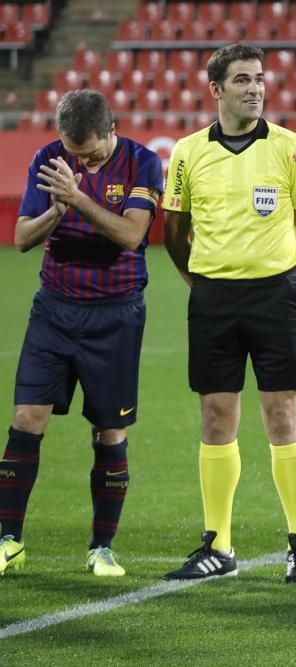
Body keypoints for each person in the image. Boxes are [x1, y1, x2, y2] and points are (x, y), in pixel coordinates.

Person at [161, 44, 296, 584]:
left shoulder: (289, 147)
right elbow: (173, 232)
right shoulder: (187, 153)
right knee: (215, 416)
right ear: (216, 90)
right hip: (212, 297)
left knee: (282, 413)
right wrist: (203, 281)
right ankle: (219, 544)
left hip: (275, 295)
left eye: (259, 79)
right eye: (242, 80)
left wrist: (288, 287)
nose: (255, 88)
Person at [0, 90, 162, 577]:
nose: (80, 161)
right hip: (54, 309)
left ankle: (102, 547)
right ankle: (8, 539)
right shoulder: (48, 159)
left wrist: (78, 197)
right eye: (72, 151)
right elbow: (22, 239)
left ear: (113, 129)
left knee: (109, 428)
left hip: (115, 315)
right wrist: (55, 210)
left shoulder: (143, 163)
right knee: (27, 417)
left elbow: (131, 235)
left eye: (89, 153)